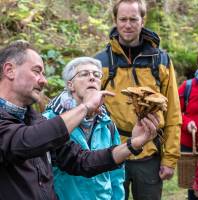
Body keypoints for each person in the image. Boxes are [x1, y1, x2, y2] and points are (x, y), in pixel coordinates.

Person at [0, 40, 159, 200]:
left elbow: (81, 161)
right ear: (9, 70)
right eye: (36, 71)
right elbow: (25, 141)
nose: (43, 80)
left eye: (96, 75)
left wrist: (133, 144)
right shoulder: (45, 123)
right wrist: (85, 107)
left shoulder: (34, 119)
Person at [95, 0, 182, 199]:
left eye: (133, 19)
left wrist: (169, 158)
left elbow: (173, 113)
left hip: (149, 153)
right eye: (122, 19)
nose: (127, 25)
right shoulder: (101, 63)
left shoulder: (160, 60)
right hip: (113, 153)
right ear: (115, 21)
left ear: (143, 20)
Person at [43, 57, 125, 200]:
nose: (92, 78)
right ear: (70, 85)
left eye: (96, 75)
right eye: (84, 74)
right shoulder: (51, 121)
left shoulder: (107, 123)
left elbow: (116, 173)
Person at [178, 55, 198, 200]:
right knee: (193, 189)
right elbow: (174, 112)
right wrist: (187, 122)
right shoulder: (188, 86)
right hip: (189, 145)